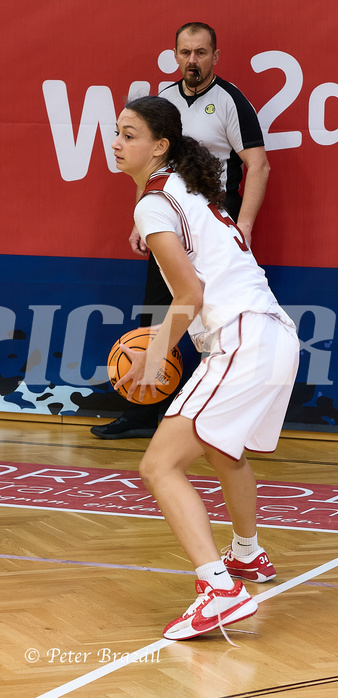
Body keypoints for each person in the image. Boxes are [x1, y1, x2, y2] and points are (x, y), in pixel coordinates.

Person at [111, 95, 299, 639]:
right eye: (116, 131)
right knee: (224, 452)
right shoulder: (184, 189)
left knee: (157, 466)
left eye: (129, 133)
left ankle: (218, 590)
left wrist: (156, 353)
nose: (117, 142)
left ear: (159, 146)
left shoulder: (154, 203)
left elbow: (189, 292)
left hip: (240, 335)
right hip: (273, 335)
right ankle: (246, 555)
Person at [91, 21, 270, 440]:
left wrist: (242, 224)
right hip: (167, 211)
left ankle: (208, 415)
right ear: (174, 55)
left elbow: (258, 165)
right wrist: (141, 214)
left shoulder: (230, 101)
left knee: (210, 308)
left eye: (201, 53)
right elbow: (148, 168)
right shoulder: (164, 101)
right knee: (156, 307)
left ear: (215, 56)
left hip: (210, 211)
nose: (193, 60)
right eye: (186, 52)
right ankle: (142, 407)